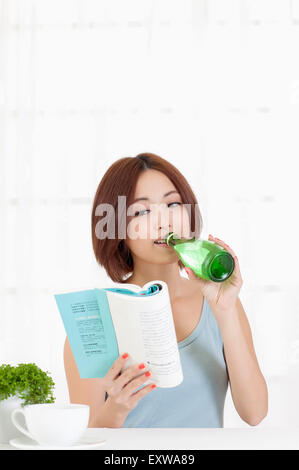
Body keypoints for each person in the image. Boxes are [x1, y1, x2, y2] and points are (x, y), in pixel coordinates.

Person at [64, 152, 268, 428]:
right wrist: (117, 408)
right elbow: (85, 441)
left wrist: (225, 312)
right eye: (141, 211)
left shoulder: (221, 303)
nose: (164, 222)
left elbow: (254, 414)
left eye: (173, 204)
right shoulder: (94, 322)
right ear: (118, 230)